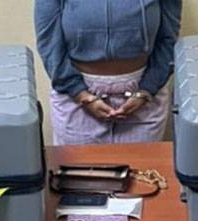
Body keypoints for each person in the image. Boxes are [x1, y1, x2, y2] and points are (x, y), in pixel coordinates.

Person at [35, 0, 181, 146]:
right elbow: (49, 44)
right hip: (75, 98)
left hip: (143, 98)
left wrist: (147, 89)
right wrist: (79, 93)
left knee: (142, 161)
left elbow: (168, 40)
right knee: (77, 162)